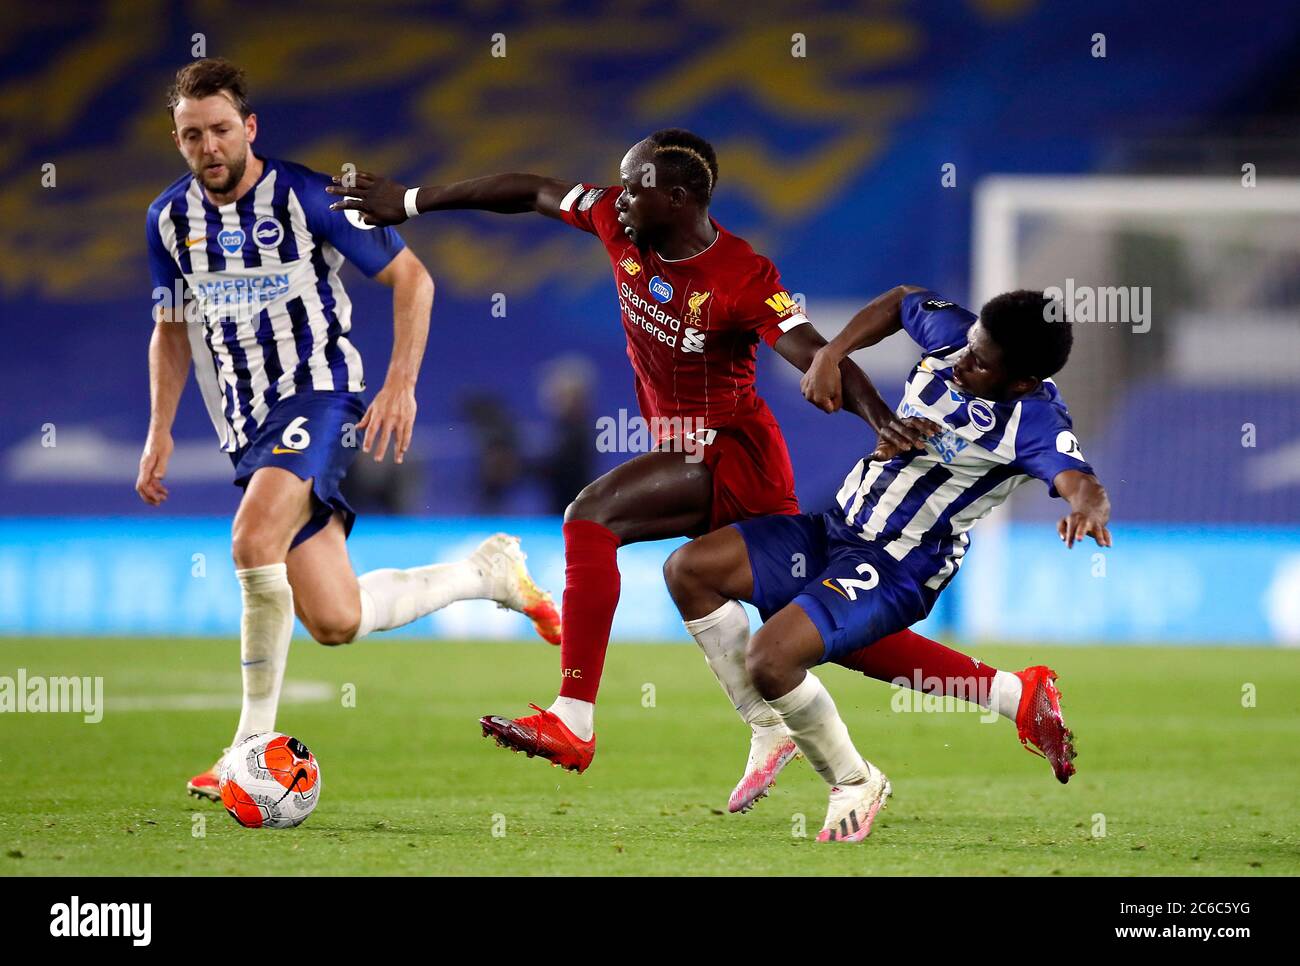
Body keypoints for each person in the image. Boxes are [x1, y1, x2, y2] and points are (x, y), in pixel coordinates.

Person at [328, 130, 939, 774]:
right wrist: (415, 201)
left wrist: (879, 418)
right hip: (684, 450)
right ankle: (1004, 693)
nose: (619, 200)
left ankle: (575, 718)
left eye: (636, 188)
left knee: (591, 518)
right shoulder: (620, 221)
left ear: (676, 199)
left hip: (731, 453)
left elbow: (811, 351)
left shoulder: (740, 276)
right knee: (810, 627)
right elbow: (532, 190)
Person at [139, 58, 559, 801]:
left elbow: (413, 279)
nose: (209, 147)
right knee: (335, 619)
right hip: (249, 426)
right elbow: (171, 329)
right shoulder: (169, 221)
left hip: (320, 398)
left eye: (222, 130)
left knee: (249, 540)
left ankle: (246, 748)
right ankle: (482, 574)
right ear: (177, 139)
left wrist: (400, 383)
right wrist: (160, 430)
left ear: (250, 129)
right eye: (192, 135)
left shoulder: (307, 196)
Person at [663, 286, 1111, 841]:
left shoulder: (1035, 421)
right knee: (690, 570)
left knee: (773, 657)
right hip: (836, 527)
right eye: (970, 346)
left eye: (979, 363)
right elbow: (901, 300)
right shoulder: (956, 338)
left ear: (1019, 381)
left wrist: (1085, 508)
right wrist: (831, 352)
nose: (961, 363)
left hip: (899, 562)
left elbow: (1080, 482)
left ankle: (855, 781)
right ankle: (771, 726)